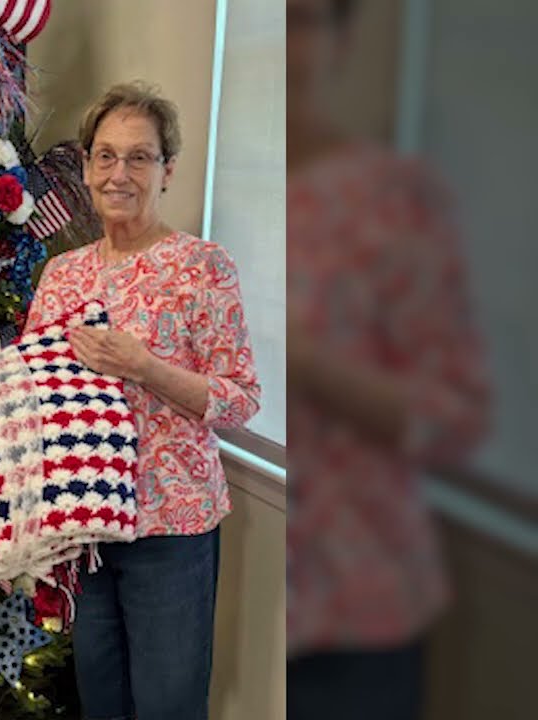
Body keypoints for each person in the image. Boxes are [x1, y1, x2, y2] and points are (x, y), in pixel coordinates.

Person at [24, 80, 261, 719]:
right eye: (105, 156)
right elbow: (36, 393)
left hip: (171, 526)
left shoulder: (202, 266)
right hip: (85, 526)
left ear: (167, 170)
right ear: (85, 167)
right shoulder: (62, 274)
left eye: (139, 157)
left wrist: (144, 367)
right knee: (101, 698)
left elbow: (241, 400)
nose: (119, 174)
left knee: (167, 704)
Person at [286, 1, 489, 718]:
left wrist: (315, 366)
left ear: (339, 41)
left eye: (304, 20)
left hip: (358, 614)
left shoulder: (394, 198)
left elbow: (459, 415)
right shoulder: (229, 204)